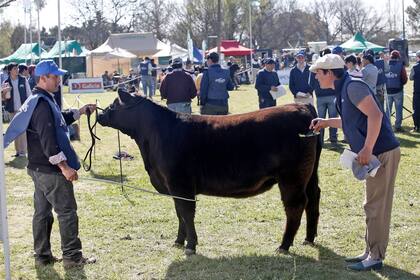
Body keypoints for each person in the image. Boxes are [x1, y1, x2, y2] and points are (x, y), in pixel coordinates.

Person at [309, 54, 400, 272]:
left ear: (330, 72)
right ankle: (370, 251)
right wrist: (325, 122)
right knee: (371, 205)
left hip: (382, 153)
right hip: (374, 155)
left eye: (318, 73)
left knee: (377, 206)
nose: (316, 78)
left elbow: (375, 116)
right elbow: (351, 120)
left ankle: (375, 256)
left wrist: (367, 148)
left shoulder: (352, 87)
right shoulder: (344, 90)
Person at [3, 60, 97, 268]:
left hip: (37, 167)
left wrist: (79, 112)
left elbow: (59, 120)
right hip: (51, 170)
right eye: (55, 77)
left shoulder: (40, 98)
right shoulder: (43, 103)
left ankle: (42, 255)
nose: (59, 80)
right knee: (67, 211)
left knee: (42, 213)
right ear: (43, 78)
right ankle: (72, 257)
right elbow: (49, 141)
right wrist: (64, 167)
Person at [1, 62, 32, 157]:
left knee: (22, 130)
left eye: (18, 68)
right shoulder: (6, 82)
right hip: (12, 109)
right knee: (14, 130)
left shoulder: (23, 80)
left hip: (23, 109)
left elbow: (29, 93)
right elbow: (3, 98)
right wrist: (4, 92)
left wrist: (29, 105)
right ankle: (18, 151)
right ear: (10, 70)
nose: (17, 70)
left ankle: (23, 151)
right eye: (15, 68)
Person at [385, 50, 408, 132]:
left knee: (388, 109)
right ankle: (397, 126)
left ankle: (387, 126)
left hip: (387, 90)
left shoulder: (386, 64)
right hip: (398, 90)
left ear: (391, 56)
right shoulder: (400, 65)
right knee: (398, 109)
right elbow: (404, 78)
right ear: (398, 57)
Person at [409, 50, 420, 132]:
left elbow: (411, 78)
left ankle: (417, 126)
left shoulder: (415, 67)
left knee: (416, 109)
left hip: (417, 91)